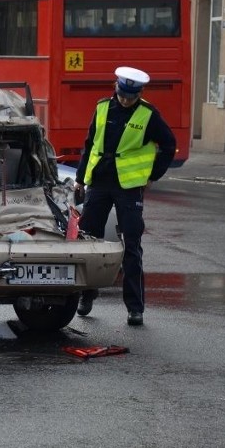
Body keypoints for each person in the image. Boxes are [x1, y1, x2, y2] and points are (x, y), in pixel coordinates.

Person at [73, 66, 176, 326]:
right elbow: (89, 144)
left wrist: (154, 175)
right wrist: (80, 179)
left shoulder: (148, 115)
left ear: (139, 94)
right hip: (98, 182)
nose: (125, 100)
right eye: (122, 95)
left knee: (131, 245)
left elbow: (169, 145)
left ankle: (135, 308)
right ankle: (86, 296)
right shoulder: (102, 108)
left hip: (128, 187)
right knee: (88, 241)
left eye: (130, 97)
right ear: (116, 88)